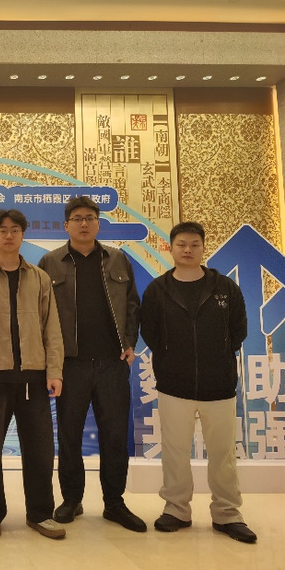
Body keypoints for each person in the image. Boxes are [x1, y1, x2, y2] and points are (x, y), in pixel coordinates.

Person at [141, 222, 256, 544]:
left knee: (223, 454)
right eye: (181, 244)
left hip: (218, 385)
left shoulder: (225, 288)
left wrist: (218, 354)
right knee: (174, 452)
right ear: (171, 248)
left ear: (204, 248)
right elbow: (150, 331)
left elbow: (239, 330)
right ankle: (176, 509)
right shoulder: (158, 290)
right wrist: (170, 357)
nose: (188, 250)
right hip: (173, 384)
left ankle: (227, 513)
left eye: (194, 244)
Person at [38, 195, 146, 532]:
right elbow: (41, 311)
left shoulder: (117, 259)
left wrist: (129, 342)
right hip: (70, 364)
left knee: (114, 436)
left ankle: (114, 503)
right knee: (69, 436)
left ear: (98, 224)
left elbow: (132, 305)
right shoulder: (50, 262)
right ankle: (72, 499)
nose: (84, 224)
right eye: (77, 218)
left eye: (90, 218)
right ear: (66, 225)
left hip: (112, 363)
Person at [0, 209, 65, 540]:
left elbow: (52, 327)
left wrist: (54, 371)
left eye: (15, 230)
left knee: (40, 451)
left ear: (22, 234)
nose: (9, 235)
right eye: (3, 230)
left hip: (34, 379)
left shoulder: (39, 278)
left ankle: (40, 513)